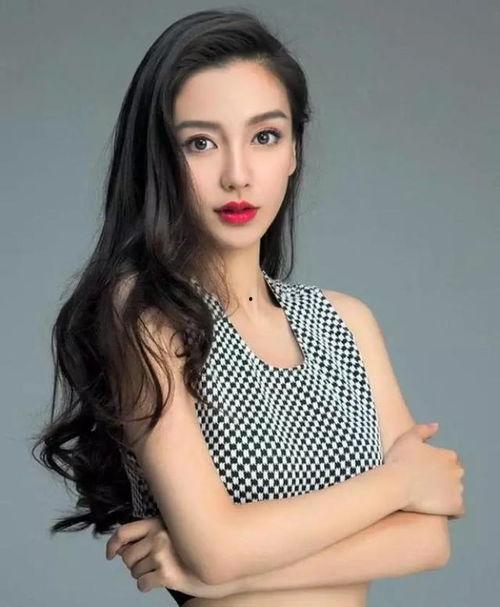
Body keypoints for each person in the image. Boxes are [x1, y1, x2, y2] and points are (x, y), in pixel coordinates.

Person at [31, 8, 465, 607]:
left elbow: (427, 540)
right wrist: (400, 483)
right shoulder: (147, 320)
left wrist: (228, 572)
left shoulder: (347, 322)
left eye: (265, 136)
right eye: (201, 143)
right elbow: (216, 549)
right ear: (160, 161)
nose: (237, 175)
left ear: (294, 150)